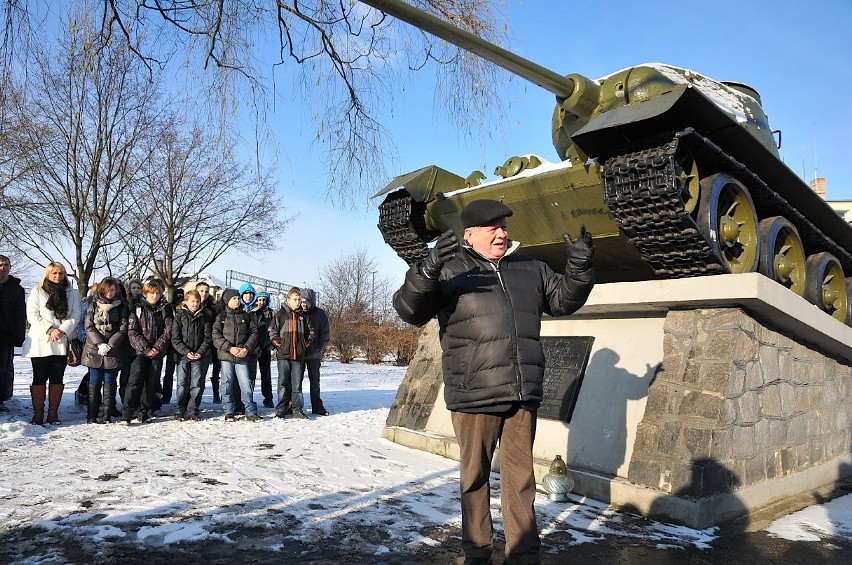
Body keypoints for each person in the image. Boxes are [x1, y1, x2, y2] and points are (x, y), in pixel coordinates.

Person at [392, 200, 596, 565]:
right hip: (475, 395)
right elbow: (410, 309)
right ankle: (478, 553)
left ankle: (523, 555)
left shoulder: (529, 267)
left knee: (521, 482)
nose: (502, 233)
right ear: (470, 234)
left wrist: (579, 268)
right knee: (475, 480)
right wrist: (428, 266)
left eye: (504, 226)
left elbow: (564, 301)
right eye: (492, 228)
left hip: (522, 393)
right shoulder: (451, 270)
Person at [21, 261, 82, 425]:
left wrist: (61, 330)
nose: (58, 276)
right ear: (47, 274)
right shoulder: (37, 291)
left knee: (57, 377)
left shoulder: (72, 292)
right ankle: (38, 414)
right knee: (39, 377)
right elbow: (32, 315)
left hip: (62, 341)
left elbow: (76, 315)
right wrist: (50, 330)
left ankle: (53, 413)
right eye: (54, 273)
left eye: (61, 273)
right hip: (41, 341)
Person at [123, 281, 174, 424]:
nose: (155, 296)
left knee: (151, 382)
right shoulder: (137, 308)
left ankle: (144, 410)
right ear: (145, 293)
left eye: (157, 293)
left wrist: (157, 348)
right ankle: (128, 411)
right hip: (139, 352)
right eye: (152, 293)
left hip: (157, 352)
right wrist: (145, 348)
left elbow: (168, 330)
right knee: (134, 380)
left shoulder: (165, 308)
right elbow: (132, 331)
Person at [81, 277, 129, 424]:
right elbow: (88, 326)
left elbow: (122, 328)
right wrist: (100, 343)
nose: (110, 292)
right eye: (108, 289)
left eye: (113, 289)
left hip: (113, 349)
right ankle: (92, 415)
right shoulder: (93, 304)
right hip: (94, 349)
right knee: (94, 381)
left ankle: (107, 415)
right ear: (102, 289)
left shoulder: (122, 306)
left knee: (110, 381)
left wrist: (110, 344)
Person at [212, 289, 261, 422]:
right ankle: (229, 411)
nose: (237, 301)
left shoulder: (246, 316)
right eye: (234, 298)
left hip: (242, 356)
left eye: (238, 298)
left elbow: (254, 333)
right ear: (227, 300)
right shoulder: (221, 317)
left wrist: (246, 348)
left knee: (246, 383)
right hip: (226, 356)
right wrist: (229, 348)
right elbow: (215, 336)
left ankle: (250, 411)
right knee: (227, 383)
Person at [171, 289, 213, 421]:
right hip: (183, 355)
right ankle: (180, 407)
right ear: (186, 302)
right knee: (182, 383)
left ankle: (193, 408)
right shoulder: (179, 316)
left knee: (197, 383)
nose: (195, 304)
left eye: (197, 301)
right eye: (192, 301)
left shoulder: (205, 316)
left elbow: (208, 338)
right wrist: (186, 351)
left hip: (199, 356)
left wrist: (200, 352)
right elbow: (175, 338)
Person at [268, 287, 309, 419]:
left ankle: (297, 409)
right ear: (288, 300)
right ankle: (281, 409)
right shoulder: (280, 314)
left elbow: (311, 332)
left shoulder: (303, 316)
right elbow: (272, 331)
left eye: (299, 299)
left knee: (297, 385)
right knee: (283, 384)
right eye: (295, 299)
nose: (298, 302)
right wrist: (279, 343)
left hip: (298, 356)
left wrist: (305, 344)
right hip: (284, 355)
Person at [0, 255, 27, 413]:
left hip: (6, 335)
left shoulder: (16, 289)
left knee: (3, 369)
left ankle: (1, 399)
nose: (3, 268)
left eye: (6, 265)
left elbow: (20, 313)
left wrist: (19, 336)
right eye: (0, 265)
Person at [299, 288, 330, 416]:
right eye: (301, 301)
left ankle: (317, 407)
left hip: (314, 354)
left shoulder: (320, 314)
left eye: (306, 301)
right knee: (296, 382)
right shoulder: (297, 313)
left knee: (315, 382)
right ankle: (294, 405)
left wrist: (319, 348)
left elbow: (325, 334)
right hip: (299, 353)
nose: (303, 304)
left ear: (312, 301)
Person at [197, 281, 222, 403]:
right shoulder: (193, 304)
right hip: (198, 342)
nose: (204, 293)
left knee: (216, 370)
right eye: (201, 291)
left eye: (206, 291)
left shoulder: (213, 307)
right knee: (199, 372)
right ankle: (196, 398)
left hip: (213, 342)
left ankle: (216, 395)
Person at [160, 287, 184, 405]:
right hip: (170, 344)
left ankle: (181, 397)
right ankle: (166, 395)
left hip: (182, 343)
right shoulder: (169, 307)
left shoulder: (184, 308)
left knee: (182, 373)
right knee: (169, 372)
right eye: (177, 296)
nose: (179, 298)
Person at [252, 291, 275, 409]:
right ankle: (248, 398)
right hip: (253, 348)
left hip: (265, 347)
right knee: (251, 374)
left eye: (264, 300)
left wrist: (271, 344)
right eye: (259, 300)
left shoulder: (271, 313)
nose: (261, 302)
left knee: (266, 375)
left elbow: (274, 329)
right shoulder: (253, 312)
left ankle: (268, 398)